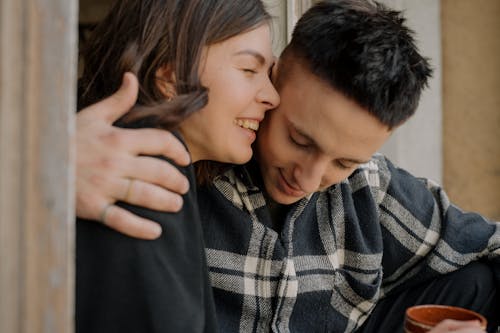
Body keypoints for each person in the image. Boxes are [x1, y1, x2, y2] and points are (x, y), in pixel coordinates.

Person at [76, 0, 500, 332]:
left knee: (478, 283)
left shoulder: (370, 188)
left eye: (344, 161)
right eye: (299, 140)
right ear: (278, 81)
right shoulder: (162, 168)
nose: (309, 179)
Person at [75, 0, 279, 332]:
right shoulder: (138, 170)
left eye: (268, 73)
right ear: (170, 77)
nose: (273, 96)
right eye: (249, 70)